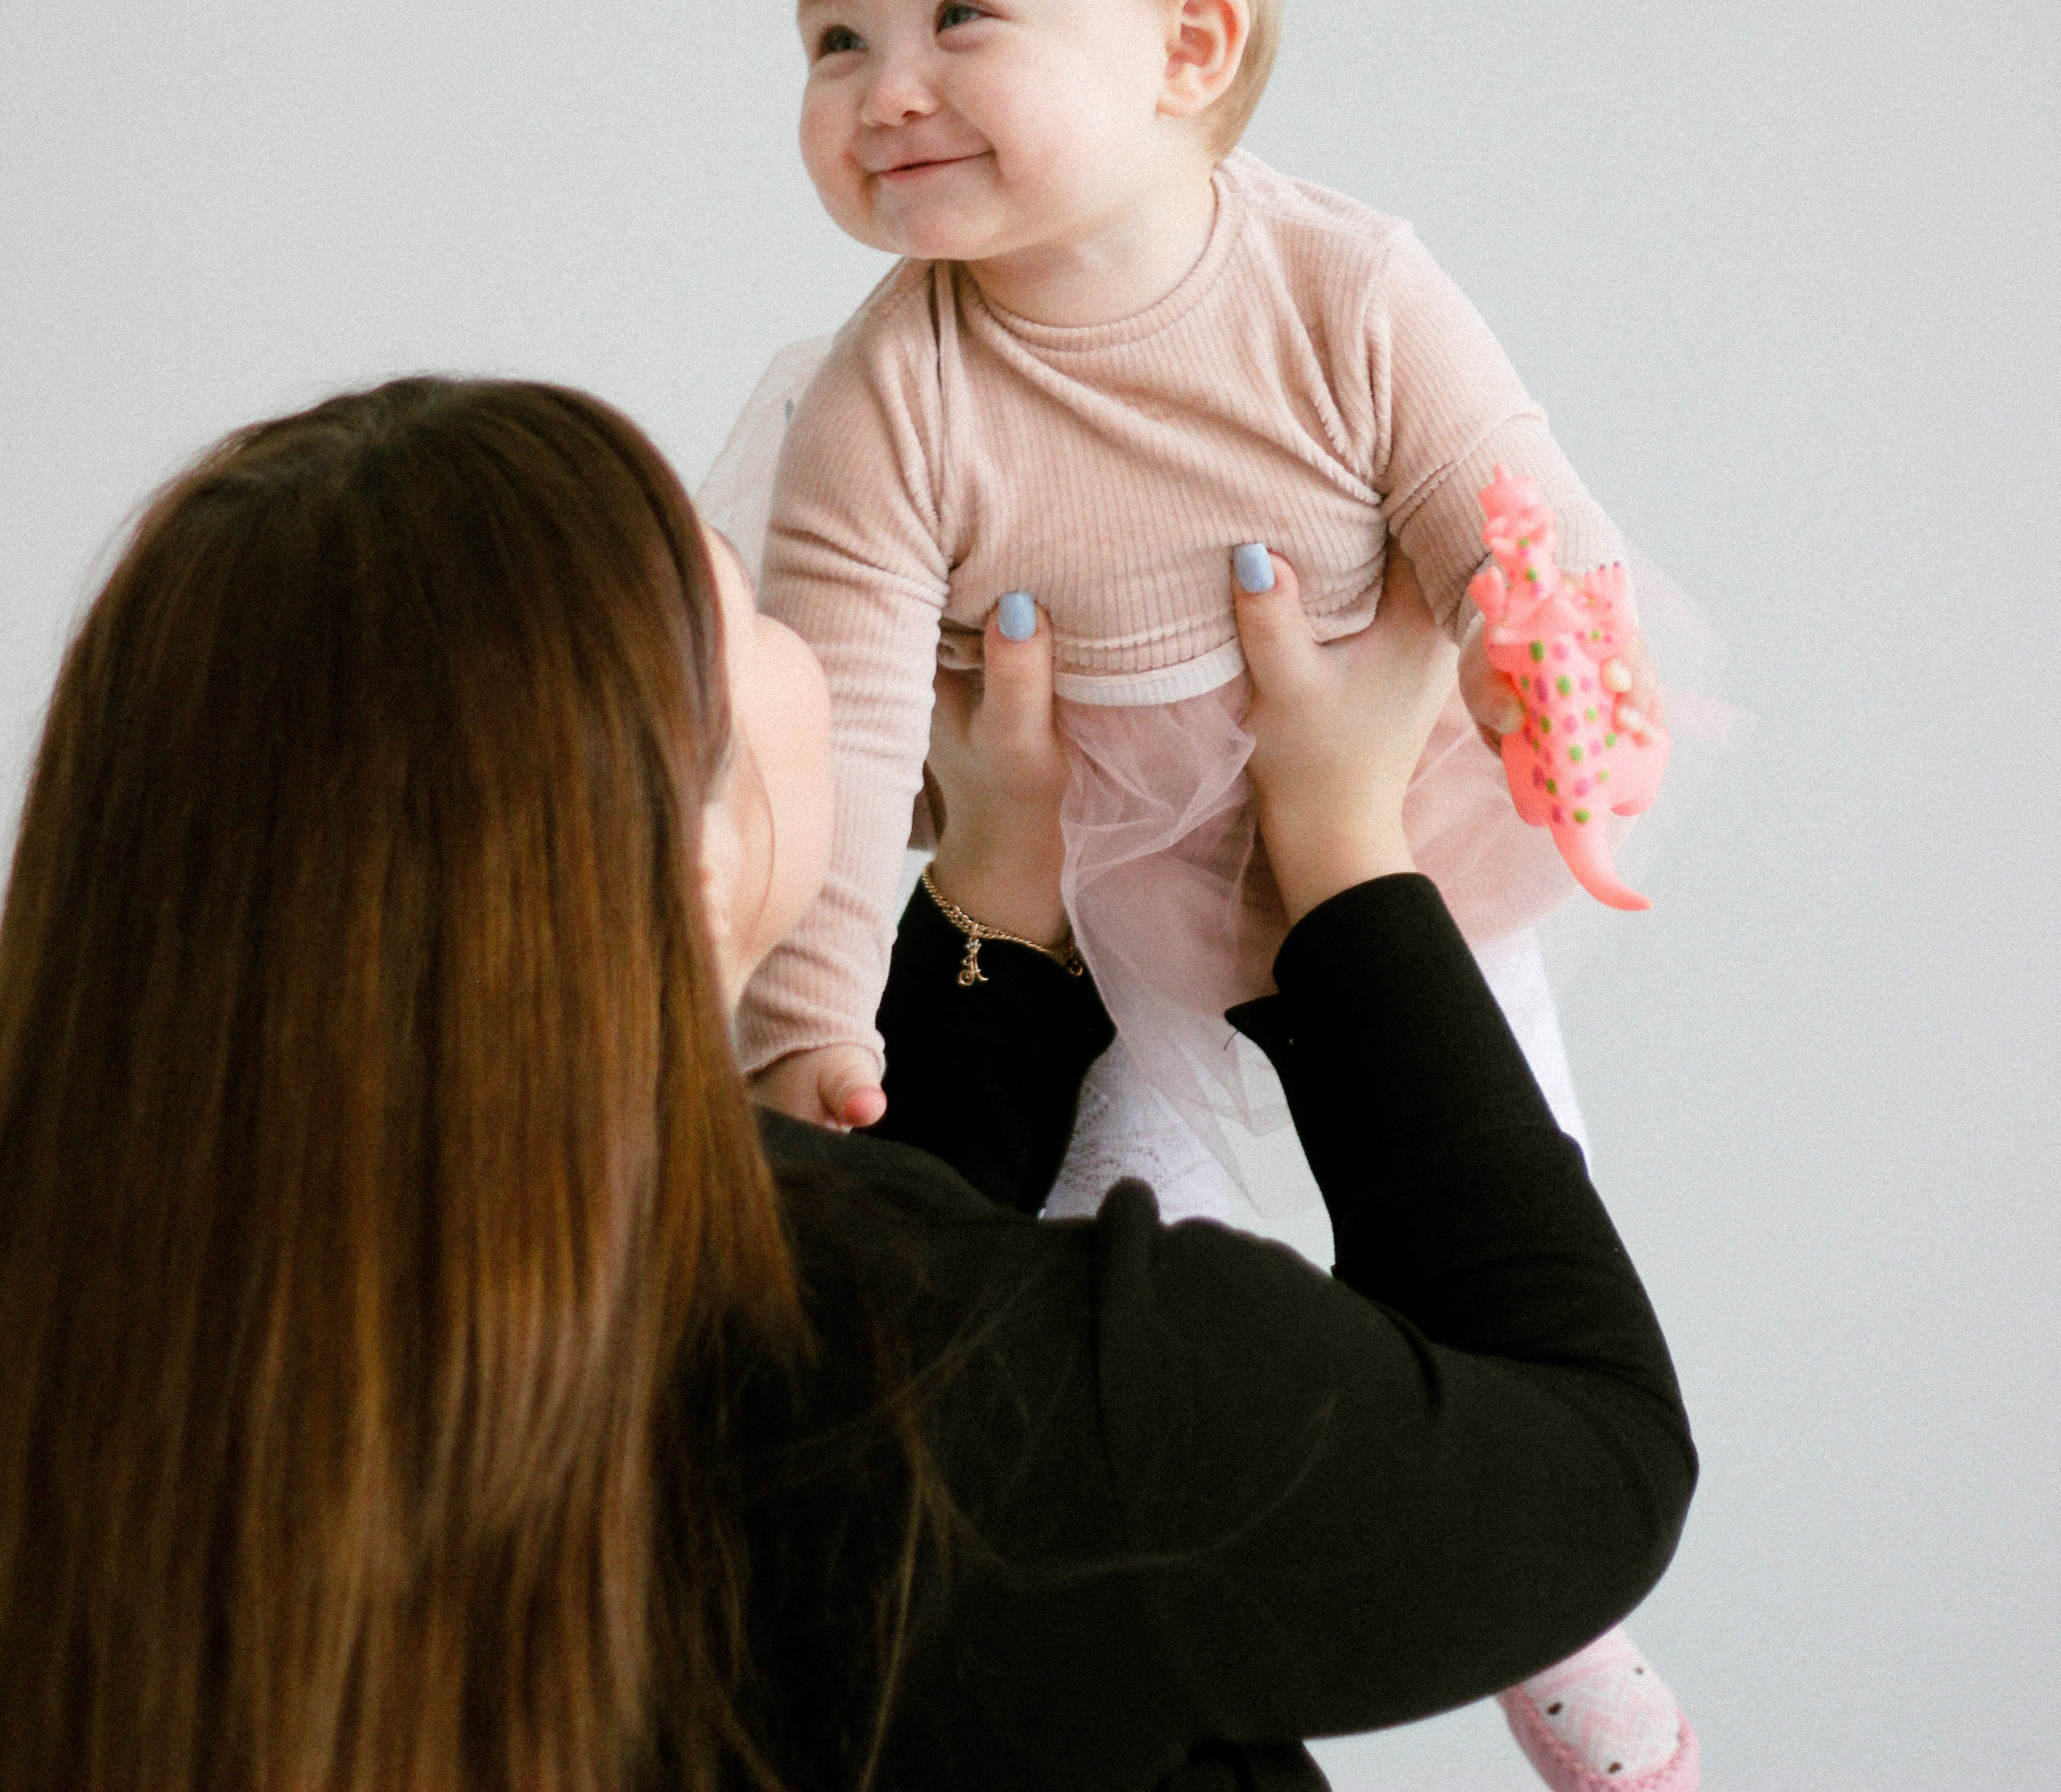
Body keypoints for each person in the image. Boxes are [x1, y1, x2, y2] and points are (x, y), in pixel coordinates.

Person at [0, 374, 1694, 1792]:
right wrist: (1340, 853)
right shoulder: (1030, 1421)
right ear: (693, 847)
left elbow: (831, 1262)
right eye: (742, 596)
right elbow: (1589, 1455)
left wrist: (996, 892)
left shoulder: (112, 1380)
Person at [721, 0, 1700, 1789]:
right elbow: (848, 683)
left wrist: (1554, 687)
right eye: (827, 41)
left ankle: (1571, 1641)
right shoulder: (889, 394)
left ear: (1187, 49)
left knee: (1510, 1169)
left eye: (953, 15)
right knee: (1101, 1227)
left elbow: (1497, 501)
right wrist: (813, 1017)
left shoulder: (1338, 279)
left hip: (1382, 830)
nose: (878, 92)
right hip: (1099, 884)